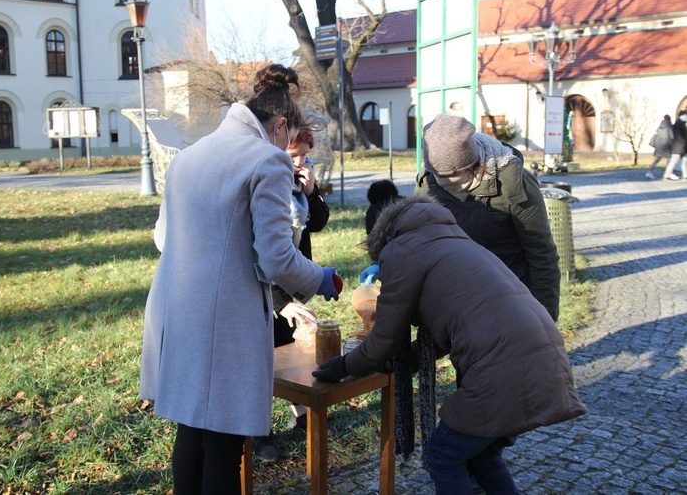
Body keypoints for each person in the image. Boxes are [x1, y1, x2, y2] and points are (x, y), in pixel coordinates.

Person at [139, 63, 340, 494]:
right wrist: (321, 278)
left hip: (175, 311)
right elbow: (276, 258)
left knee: (191, 433)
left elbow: (162, 236)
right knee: (226, 446)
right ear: (281, 125)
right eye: (288, 139)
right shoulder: (266, 158)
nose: (287, 149)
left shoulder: (189, 157)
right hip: (223, 320)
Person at [313, 195, 586, 494]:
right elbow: (451, 330)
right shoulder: (457, 238)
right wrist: (407, 362)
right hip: (546, 355)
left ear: (383, 239)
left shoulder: (401, 249)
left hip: (503, 367)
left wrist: (342, 366)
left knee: (443, 454)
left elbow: (383, 339)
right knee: (482, 454)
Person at [413, 114, 561, 322]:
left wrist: (545, 315)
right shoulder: (428, 182)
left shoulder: (513, 183)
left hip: (510, 297)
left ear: (472, 165)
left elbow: (541, 252)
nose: (447, 185)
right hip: (457, 299)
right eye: (440, 178)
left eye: (454, 180)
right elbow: (418, 241)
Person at [253, 122, 330, 462]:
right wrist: (280, 301)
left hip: (294, 275)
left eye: (304, 156)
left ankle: (302, 412)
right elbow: (260, 249)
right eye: (294, 155)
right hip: (265, 281)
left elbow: (318, 221)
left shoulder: (300, 177)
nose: (300, 163)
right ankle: (259, 430)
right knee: (262, 354)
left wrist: (312, 192)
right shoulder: (267, 181)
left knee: (291, 347)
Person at [646, 115, 673, 179]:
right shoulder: (669, 127)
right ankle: (670, 173)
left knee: (656, 160)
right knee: (671, 161)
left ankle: (650, 172)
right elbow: (671, 137)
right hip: (667, 146)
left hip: (659, 147)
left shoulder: (660, 127)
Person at [662, 110, 687, 181]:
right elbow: (680, 137)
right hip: (678, 147)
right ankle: (666, 175)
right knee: (674, 161)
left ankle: (685, 175)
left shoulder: (681, 124)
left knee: (684, 161)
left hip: (682, 147)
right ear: (681, 116)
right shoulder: (678, 124)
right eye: (685, 116)